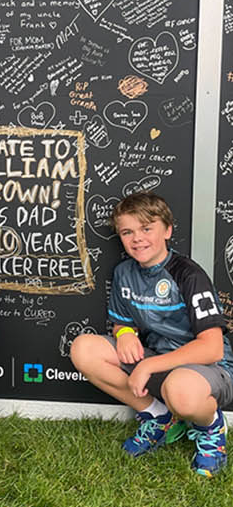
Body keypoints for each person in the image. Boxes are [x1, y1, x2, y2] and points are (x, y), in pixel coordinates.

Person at [69, 192, 233, 477]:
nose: (137, 238)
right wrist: (124, 334)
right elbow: (121, 322)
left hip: (207, 370)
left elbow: (213, 348)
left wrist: (147, 365)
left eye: (147, 228)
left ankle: (211, 431)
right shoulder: (124, 273)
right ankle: (159, 417)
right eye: (127, 232)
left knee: (181, 391)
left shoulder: (188, 274)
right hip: (160, 361)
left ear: (167, 230)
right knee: (83, 348)